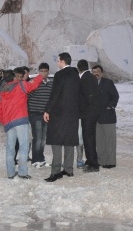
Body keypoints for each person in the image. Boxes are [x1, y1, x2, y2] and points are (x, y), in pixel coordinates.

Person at [0, 69, 44, 179]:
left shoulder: (1, 91)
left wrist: (4, 122)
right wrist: (40, 75)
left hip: (9, 123)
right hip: (21, 120)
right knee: (23, 147)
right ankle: (22, 173)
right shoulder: (21, 85)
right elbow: (34, 84)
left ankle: (10, 173)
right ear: (13, 77)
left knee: (10, 149)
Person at [43, 52, 81, 182]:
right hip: (72, 114)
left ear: (63, 61)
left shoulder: (59, 75)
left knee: (57, 142)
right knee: (70, 141)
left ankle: (56, 172)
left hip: (59, 114)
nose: (57, 62)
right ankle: (69, 169)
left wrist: (47, 110)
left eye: (58, 60)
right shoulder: (76, 75)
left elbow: (55, 94)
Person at [93, 65, 119, 168]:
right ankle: (101, 161)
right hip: (96, 118)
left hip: (108, 117)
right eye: (94, 71)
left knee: (110, 141)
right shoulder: (91, 84)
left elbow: (115, 96)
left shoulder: (108, 83)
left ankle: (110, 162)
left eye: (98, 71)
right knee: (99, 142)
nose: (96, 73)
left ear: (102, 73)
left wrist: (110, 106)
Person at [77, 59, 101, 172]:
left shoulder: (85, 78)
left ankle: (93, 164)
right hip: (93, 112)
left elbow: (88, 96)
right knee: (90, 137)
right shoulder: (91, 77)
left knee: (88, 138)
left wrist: (83, 109)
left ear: (78, 68)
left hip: (88, 113)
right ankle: (90, 160)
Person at [27, 63, 52, 168]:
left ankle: (41, 159)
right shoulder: (34, 83)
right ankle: (35, 159)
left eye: (45, 71)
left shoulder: (51, 84)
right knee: (37, 138)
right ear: (38, 72)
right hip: (35, 113)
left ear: (48, 72)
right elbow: (27, 97)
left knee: (43, 138)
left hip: (46, 114)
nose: (43, 73)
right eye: (41, 71)